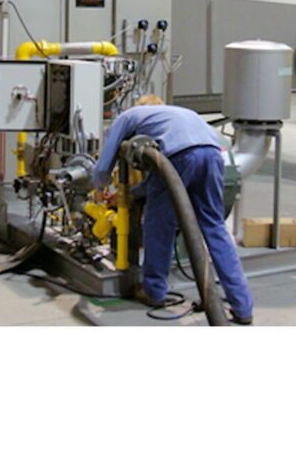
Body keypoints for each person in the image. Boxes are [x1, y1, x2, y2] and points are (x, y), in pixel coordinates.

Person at [91, 95, 254, 324]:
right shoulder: (181, 113)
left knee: (159, 225)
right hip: (213, 154)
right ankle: (243, 305)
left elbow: (103, 166)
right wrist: (133, 192)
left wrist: (98, 189)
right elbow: (154, 183)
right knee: (215, 227)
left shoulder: (129, 116)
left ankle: (154, 290)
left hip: (179, 156)